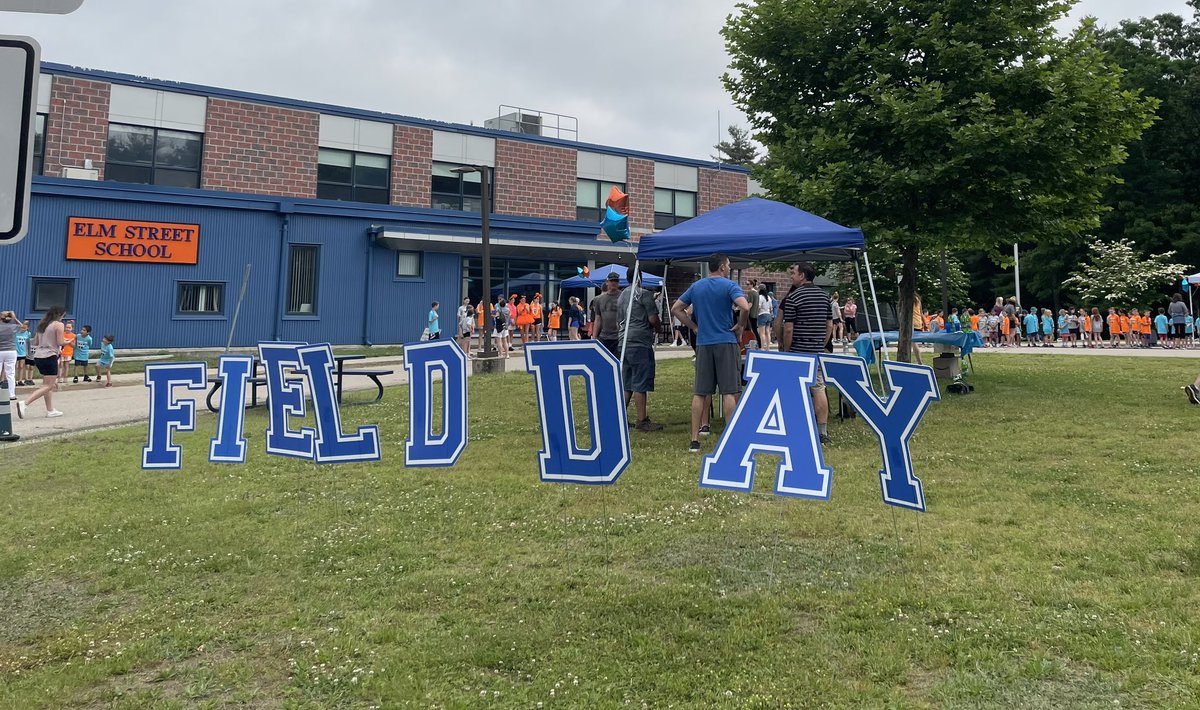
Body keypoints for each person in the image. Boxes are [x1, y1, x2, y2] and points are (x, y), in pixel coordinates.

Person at [671, 254, 750, 454]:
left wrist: (694, 327)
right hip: (726, 341)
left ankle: (694, 440)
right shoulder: (730, 286)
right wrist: (740, 325)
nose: (729, 267)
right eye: (729, 265)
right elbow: (744, 306)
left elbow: (676, 308)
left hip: (704, 343)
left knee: (700, 393)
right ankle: (731, 437)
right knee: (729, 391)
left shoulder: (697, 286)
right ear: (723, 267)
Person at [779, 262, 834, 445]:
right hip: (816, 351)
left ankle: (795, 428)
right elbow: (829, 325)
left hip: (797, 351)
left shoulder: (793, 298)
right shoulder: (825, 297)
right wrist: (821, 343)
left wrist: (786, 351)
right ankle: (822, 432)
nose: (791, 276)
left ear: (802, 275)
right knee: (819, 389)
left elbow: (788, 328)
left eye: (793, 273)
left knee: (794, 391)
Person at [617, 274, 663, 431]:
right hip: (640, 340)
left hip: (624, 341)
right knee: (640, 381)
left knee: (627, 382)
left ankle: (620, 418)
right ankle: (642, 420)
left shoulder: (622, 296)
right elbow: (652, 319)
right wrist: (658, 328)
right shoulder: (644, 294)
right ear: (640, 278)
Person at [16, 306, 66, 419]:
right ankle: (25, 403)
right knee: (50, 385)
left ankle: (50, 410)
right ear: (60, 315)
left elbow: (36, 341)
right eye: (63, 315)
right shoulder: (59, 325)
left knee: (46, 384)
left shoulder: (42, 325)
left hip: (38, 356)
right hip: (50, 355)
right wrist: (68, 342)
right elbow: (60, 342)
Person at [589, 272, 623, 357]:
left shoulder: (623, 297)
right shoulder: (599, 299)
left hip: (618, 337)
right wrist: (594, 337)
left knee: (618, 362)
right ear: (607, 282)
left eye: (616, 281)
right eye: (611, 281)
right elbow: (597, 318)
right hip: (604, 337)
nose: (614, 283)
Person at [0, 311, 19, 403]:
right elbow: (22, 326)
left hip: (0, 351)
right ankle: (12, 394)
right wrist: (14, 318)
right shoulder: (13, 327)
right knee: (10, 373)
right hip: (11, 350)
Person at [15, 319, 33, 386]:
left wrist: (28, 352)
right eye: (22, 327)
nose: (23, 329)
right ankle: (14, 380)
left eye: (25, 328)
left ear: (28, 328)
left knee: (21, 366)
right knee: (15, 366)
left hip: (23, 352)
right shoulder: (16, 332)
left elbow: (28, 343)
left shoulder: (28, 334)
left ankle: (20, 380)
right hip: (16, 352)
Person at [59, 320, 76, 385]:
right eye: (66, 327)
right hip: (61, 352)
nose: (67, 329)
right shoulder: (62, 334)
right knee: (60, 365)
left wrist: (69, 341)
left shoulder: (73, 336)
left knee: (66, 365)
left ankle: (65, 377)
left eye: (69, 328)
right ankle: (59, 377)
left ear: (72, 328)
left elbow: (74, 345)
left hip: (68, 352)